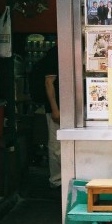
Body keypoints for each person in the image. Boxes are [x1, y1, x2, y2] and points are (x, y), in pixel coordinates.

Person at [35, 45, 61, 190]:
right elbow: (48, 82)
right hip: (57, 107)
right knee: (56, 146)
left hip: (69, 107)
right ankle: (57, 181)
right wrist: (55, 109)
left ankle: (62, 179)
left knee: (59, 145)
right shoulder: (55, 53)